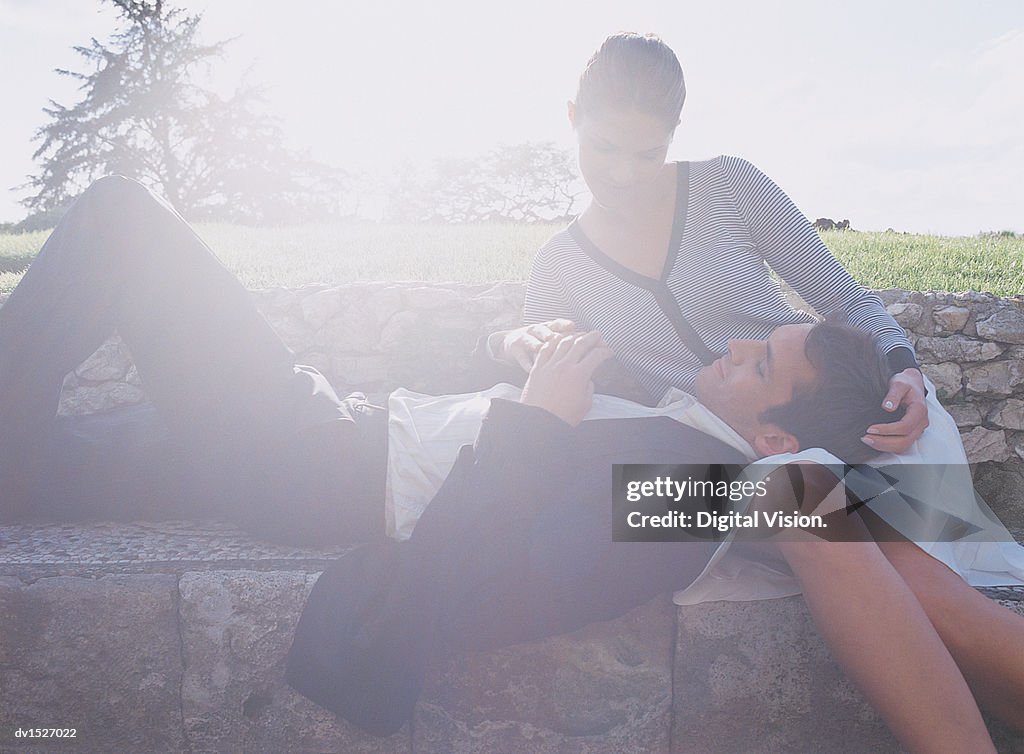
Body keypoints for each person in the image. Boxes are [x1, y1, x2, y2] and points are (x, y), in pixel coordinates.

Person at [1, 177, 1021, 752]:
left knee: (121, 222)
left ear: (773, 441)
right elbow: (432, 358)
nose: (735, 345)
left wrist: (538, 422)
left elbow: (477, 576)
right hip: (332, 419)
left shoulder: (695, 490)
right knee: (33, 466)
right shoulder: (681, 418)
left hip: (299, 456)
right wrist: (514, 353)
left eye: (759, 362)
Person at [488, 31, 928, 454]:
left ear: (673, 133)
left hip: (831, 430)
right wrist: (509, 341)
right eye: (605, 147)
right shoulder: (560, 263)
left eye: (647, 154)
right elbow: (540, 367)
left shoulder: (728, 185)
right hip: (701, 456)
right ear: (572, 118)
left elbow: (846, 299)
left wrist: (903, 368)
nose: (625, 174)